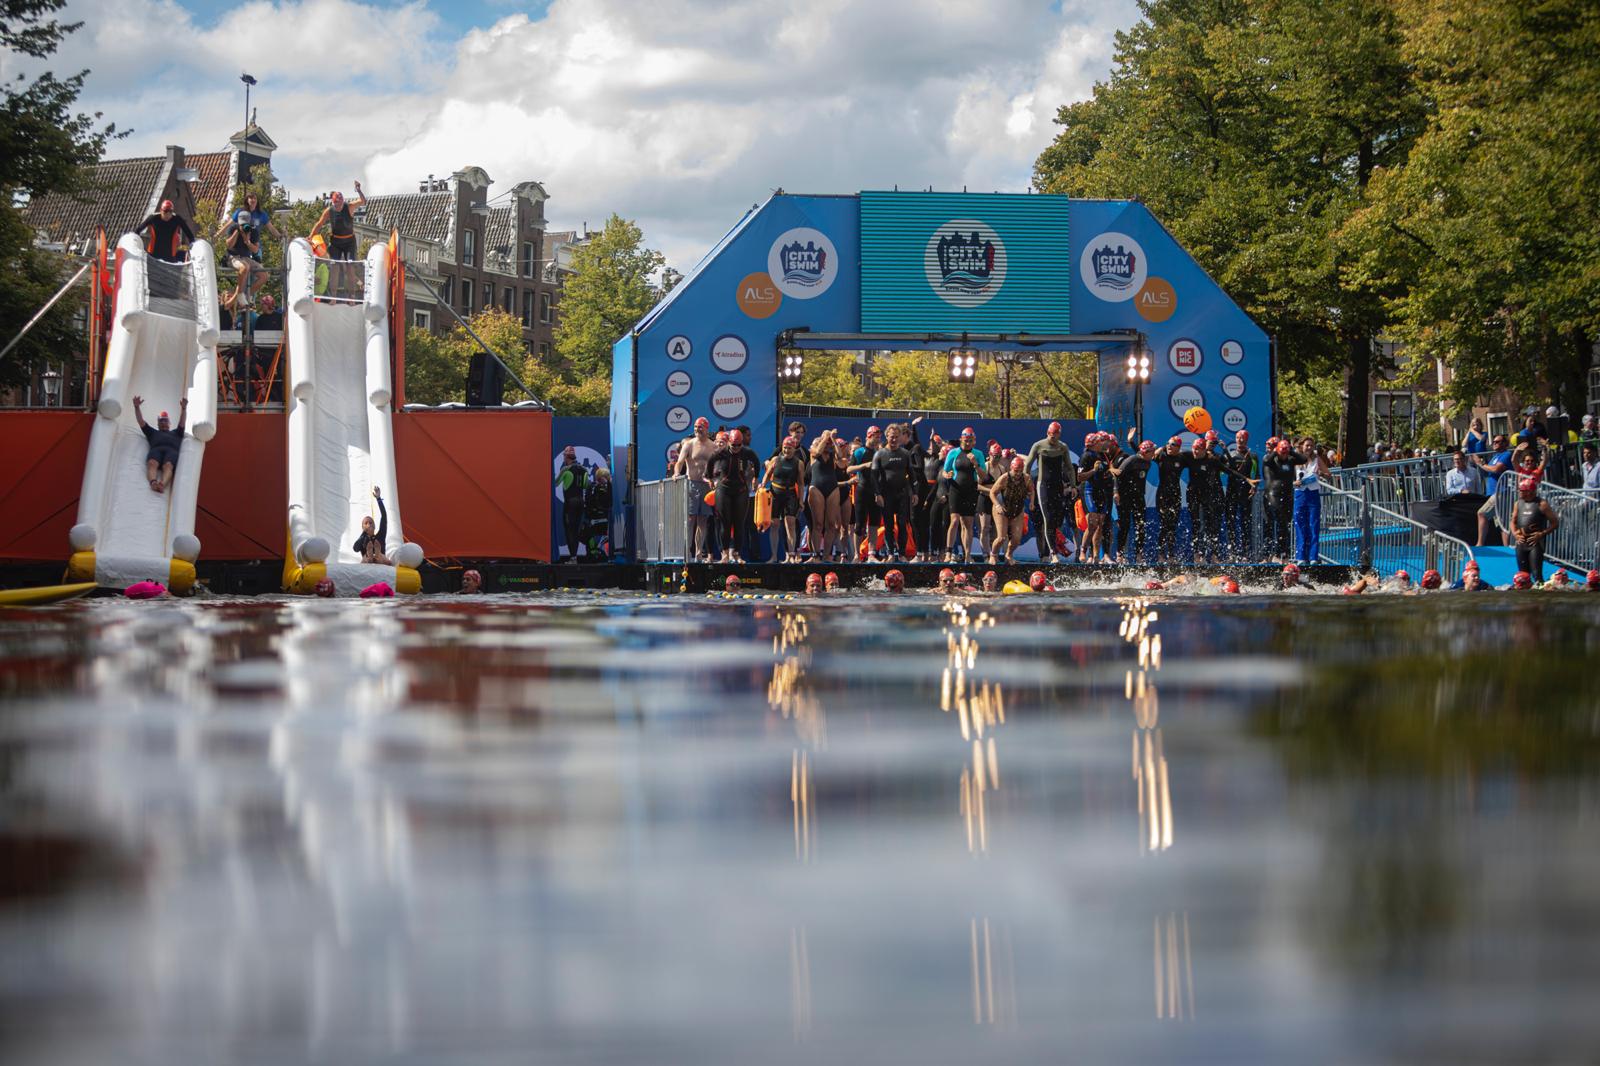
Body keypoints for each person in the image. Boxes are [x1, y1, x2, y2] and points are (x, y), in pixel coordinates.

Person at [1025, 421, 1077, 563]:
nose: (1052, 437)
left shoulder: (1063, 447)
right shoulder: (1039, 445)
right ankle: (1052, 553)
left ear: (1059, 434)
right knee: (1047, 519)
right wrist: (1027, 485)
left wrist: (1073, 486)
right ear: (1047, 433)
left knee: (1057, 520)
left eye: (1055, 434)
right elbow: (1027, 466)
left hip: (1057, 486)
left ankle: (1050, 550)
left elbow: (1069, 468)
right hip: (1043, 486)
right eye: (1050, 434)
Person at [675, 417, 719, 562]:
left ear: (706, 428)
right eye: (695, 427)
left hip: (706, 486)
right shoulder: (689, 444)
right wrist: (676, 473)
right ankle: (686, 550)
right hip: (692, 484)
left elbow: (718, 467)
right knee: (690, 519)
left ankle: (699, 552)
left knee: (703, 521)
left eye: (700, 427)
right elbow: (680, 462)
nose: (697, 430)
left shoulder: (713, 447)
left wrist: (716, 480)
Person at [708, 430, 753, 563]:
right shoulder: (717, 454)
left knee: (738, 523)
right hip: (720, 492)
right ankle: (723, 553)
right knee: (721, 523)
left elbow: (750, 470)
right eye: (718, 441)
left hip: (738, 492)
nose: (736, 448)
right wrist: (711, 479)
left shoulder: (744, 454)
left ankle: (735, 553)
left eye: (723, 441)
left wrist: (753, 477)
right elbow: (708, 470)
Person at [872, 424, 915, 561]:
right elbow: (874, 476)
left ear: (900, 437)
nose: (894, 440)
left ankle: (901, 553)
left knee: (902, 524)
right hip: (886, 494)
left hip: (902, 494)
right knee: (888, 525)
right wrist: (877, 494)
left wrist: (914, 493)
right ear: (887, 436)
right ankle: (890, 553)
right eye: (892, 437)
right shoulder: (880, 454)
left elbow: (912, 475)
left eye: (897, 437)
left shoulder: (905, 454)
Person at [761, 435, 805, 563]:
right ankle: (774, 556)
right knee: (774, 524)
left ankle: (791, 555)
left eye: (789, 448)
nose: (787, 451)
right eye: (785, 448)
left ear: (794, 449)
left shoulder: (799, 463)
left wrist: (801, 500)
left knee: (790, 524)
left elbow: (801, 483)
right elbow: (767, 475)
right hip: (775, 493)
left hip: (790, 494)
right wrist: (762, 486)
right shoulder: (775, 460)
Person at [943, 428, 984, 563]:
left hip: (970, 491)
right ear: (961, 439)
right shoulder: (953, 453)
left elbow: (983, 476)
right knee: (954, 521)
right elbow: (945, 471)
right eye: (966, 440)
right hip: (956, 489)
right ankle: (948, 552)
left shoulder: (978, 454)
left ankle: (967, 555)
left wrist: (975, 464)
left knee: (968, 524)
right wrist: (947, 475)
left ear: (974, 441)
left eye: (970, 441)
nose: (968, 443)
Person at [131, 395, 185, 493]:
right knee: (152, 463)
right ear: (158, 423)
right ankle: (153, 482)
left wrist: (184, 409)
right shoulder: (153, 432)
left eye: (165, 421)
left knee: (168, 465)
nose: (164, 423)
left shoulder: (176, 433)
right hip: (156, 450)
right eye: (161, 421)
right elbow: (141, 421)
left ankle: (162, 484)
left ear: (169, 423)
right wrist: (136, 407)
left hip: (171, 451)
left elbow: (182, 422)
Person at [1511, 477, 1560, 583]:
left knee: (1537, 575)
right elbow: (1513, 521)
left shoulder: (1542, 504)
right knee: (1523, 577)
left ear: (1529, 491)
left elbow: (1555, 523)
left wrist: (1542, 534)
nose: (1519, 492)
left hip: (1535, 544)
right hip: (1521, 543)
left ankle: (1540, 598)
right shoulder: (1518, 503)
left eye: (1521, 490)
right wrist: (1515, 534)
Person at [217, 208, 268, 307]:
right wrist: (237, 233)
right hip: (232, 256)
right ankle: (239, 294)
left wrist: (247, 242)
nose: (244, 226)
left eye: (245, 224)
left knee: (264, 276)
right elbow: (228, 245)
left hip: (246, 257)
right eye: (242, 224)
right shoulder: (233, 228)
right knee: (244, 267)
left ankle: (245, 295)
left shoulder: (253, 231)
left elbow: (255, 250)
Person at [987, 456, 1033, 563]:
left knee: (1016, 539)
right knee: (1001, 538)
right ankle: (993, 554)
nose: (1017, 474)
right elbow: (992, 493)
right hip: (1002, 508)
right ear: (1011, 469)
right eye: (1016, 471)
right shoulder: (1004, 478)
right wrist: (997, 505)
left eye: (1020, 471)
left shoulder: (1026, 478)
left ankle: (1008, 555)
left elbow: (1032, 490)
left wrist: (1031, 501)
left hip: (1017, 510)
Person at [805, 432, 842, 562]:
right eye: (824, 443)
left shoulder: (832, 455)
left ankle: (826, 555)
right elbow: (817, 452)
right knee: (818, 524)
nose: (826, 445)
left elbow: (841, 456)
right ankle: (815, 555)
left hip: (832, 488)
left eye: (828, 444)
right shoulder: (813, 454)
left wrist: (833, 439)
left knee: (831, 524)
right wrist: (825, 437)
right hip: (817, 487)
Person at [1079, 433, 1115, 563]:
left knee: (1100, 524)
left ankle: (1095, 555)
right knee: (1092, 522)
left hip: (1102, 491)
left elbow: (1106, 471)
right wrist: (1093, 471)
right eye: (1100, 442)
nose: (1103, 443)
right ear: (1094, 444)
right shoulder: (1086, 456)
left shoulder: (1104, 455)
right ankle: (1083, 550)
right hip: (1090, 490)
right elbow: (1080, 477)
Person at [1471, 434, 1513, 544]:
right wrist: (1481, 464)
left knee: (1482, 513)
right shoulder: (1495, 457)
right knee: (1502, 522)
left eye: (1498, 442)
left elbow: (1496, 469)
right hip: (1493, 492)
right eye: (1494, 442)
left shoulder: (1506, 455)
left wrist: (1480, 463)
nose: (1495, 444)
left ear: (1505, 443)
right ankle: (1507, 547)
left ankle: (1480, 544)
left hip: (1501, 492)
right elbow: (1488, 469)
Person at [847, 426, 882, 559]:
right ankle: (856, 554)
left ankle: (871, 554)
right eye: (876, 436)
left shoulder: (880, 452)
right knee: (860, 524)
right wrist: (864, 465)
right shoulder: (860, 452)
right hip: (862, 490)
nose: (878, 439)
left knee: (874, 524)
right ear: (869, 436)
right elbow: (849, 469)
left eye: (879, 436)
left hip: (876, 491)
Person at [1150, 437, 1187, 564]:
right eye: (1168, 444)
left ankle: (1171, 555)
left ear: (1179, 447)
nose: (1169, 446)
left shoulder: (1182, 458)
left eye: (1173, 445)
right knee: (1164, 525)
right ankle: (1160, 554)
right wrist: (1131, 442)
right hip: (1162, 494)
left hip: (1176, 494)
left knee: (1172, 526)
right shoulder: (1161, 456)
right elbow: (1143, 455)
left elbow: (1199, 459)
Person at [1292, 436, 1328, 565]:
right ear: (1301, 446)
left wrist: (1322, 474)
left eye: (1311, 446)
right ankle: (1301, 556)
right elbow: (1288, 478)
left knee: (1313, 525)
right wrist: (1294, 482)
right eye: (1307, 445)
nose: (1309, 448)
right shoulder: (1295, 460)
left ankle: (1313, 557)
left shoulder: (1317, 459)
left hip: (1313, 494)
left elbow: (1328, 474)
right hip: (1300, 495)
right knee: (1300, 526)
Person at [1224, 430, 1257, 561]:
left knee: (1245, 523)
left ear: (1247, 440)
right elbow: (1223, 471)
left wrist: (1255, 487)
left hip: (1245, 493)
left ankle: (1245, 552)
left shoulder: (1252, 456)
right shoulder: (1230, 454)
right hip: (1232, 492)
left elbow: (1257, 474)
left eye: (1243, 438)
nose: (1240, 440)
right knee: (1230, 522)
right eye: (1238, 438)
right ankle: (1232, 552)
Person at [310, 182, 366, 261]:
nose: (338, 204)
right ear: (333, 202)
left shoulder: (349, 206)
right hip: (336, 242)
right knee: (334, 264)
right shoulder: (329, 210)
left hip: (349, 242)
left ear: (342, 201)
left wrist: (359, 190)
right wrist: (310, 236)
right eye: (336, 202)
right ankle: (335, 272)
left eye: (340, 200)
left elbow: (362, 201)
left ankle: (351, 271)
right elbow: (319, 224)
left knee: (350, 265)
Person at [556, 446, 590, 562]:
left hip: (570, 502)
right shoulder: (584, 469)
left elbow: (555, 483)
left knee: (569, 530)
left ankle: (573, 557)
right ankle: (575, 556)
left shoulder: (566, 469)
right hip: (580, 502)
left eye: (564, 456)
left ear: (566, 457)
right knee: (576, 529)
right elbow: (586, 485)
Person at [354, 486, 392, 564]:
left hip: (381, 559)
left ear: (374, 526)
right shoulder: (362, 539)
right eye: (366, 523)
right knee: (365, 558)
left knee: (385, 559)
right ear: (363, 527)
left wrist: (378, 498)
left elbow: (384, 516)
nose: (369, 524)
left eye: (371, 523)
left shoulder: (380, 535)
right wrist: (364, 533)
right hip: (367, 561)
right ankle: (370, 556)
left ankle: (377, 556)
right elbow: (355, 548)